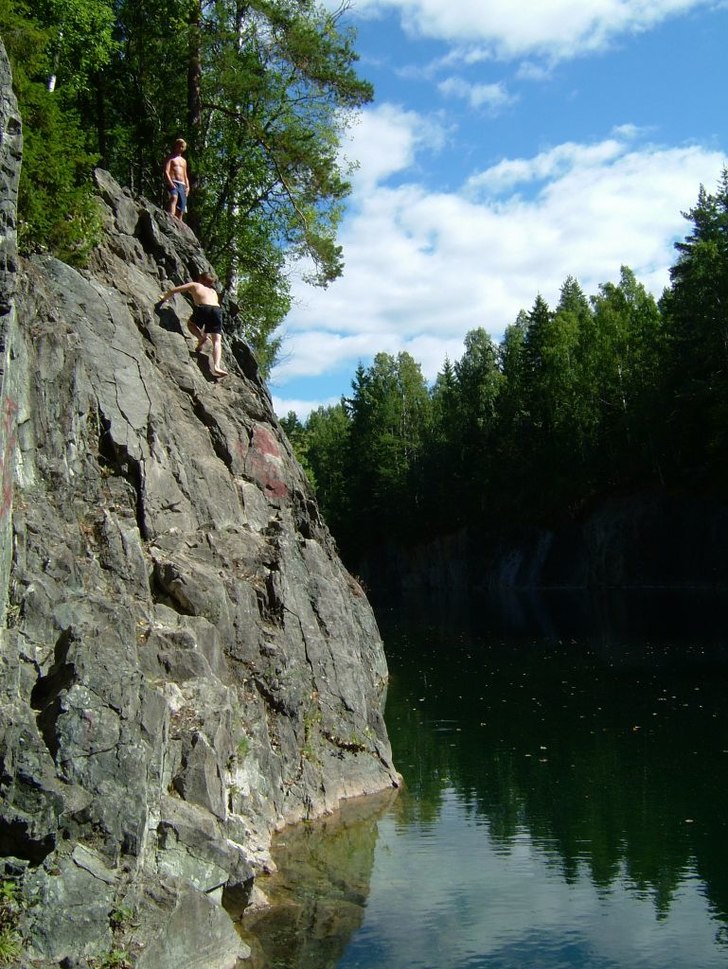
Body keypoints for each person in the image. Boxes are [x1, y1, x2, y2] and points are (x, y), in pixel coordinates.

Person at [159, 272, 229, 377]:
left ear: (200, 279)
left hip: (203, 307)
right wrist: (206, 335)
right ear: (210, 283)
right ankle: (217, 366)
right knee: (217, 341)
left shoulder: (195, 285)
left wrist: (164, 298)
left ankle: (200, 338)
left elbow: (174, 290)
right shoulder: (213, 292)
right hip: (217, 310)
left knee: (190, 324)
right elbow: (209, 318)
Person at [163, 138, 190, 221]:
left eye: (182, 147)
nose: (180, 148)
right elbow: (166, 171)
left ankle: (179, 226)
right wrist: (170, 183)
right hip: (173, 182)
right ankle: (171, 219)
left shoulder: (184, 161)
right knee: (174, 198)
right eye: (179, 146)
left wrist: (188, 187)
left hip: (182, 184)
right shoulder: (170, 158)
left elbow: (185, 175)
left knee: (181, 208)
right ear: (175, 146)